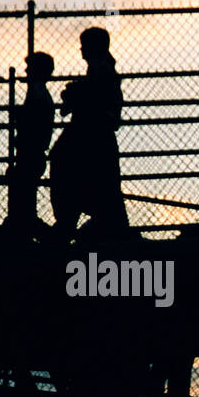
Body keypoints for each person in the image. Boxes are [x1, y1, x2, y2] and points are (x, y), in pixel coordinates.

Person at [49, 27, 130, 241]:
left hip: (91, 140)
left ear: (94, 47)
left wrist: (75, 96)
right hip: (95, 139)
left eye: (84, 45)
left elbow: (95, 102)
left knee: (88, 189)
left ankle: (67, 230)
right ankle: (78, 229)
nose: (81, 49)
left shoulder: (101, 70)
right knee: (105, 194)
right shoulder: (102, 69)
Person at [5, 51, 55, 241]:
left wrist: (20, 117)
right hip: (32, 154)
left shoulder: (37, 93)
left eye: (29, 67)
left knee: (23, 208)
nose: (26, 71)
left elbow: (33, 124)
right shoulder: (38, 92)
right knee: (24, 207)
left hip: (30, 154)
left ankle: (53, 241)